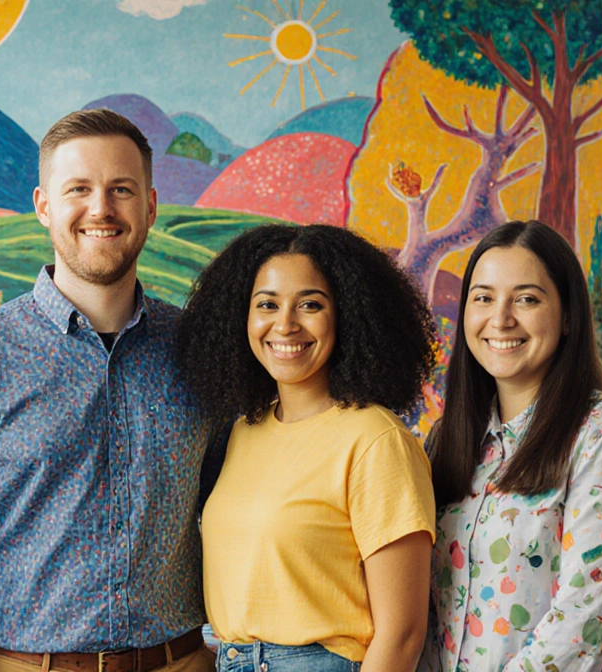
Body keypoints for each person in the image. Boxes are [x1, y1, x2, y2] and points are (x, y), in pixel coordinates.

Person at [0, 109, 216, 672]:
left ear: (150, 205)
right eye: (79, 189)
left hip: (181, 662)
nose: (101, 209)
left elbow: (236, 507)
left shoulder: (198, 352)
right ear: (44, 205)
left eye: (121, 189)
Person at [176, 224, 439, 672]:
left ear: (348, 315)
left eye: (310, 305)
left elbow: (402, 634)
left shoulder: (376, 440)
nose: (285, 324)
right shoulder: (240, 432)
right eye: (267, 305)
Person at [421, 221, 602, 672]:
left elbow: (588, 627)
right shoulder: (447, 441)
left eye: (527, 299)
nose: (500, 319)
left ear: (569, 316)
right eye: (483, 297)